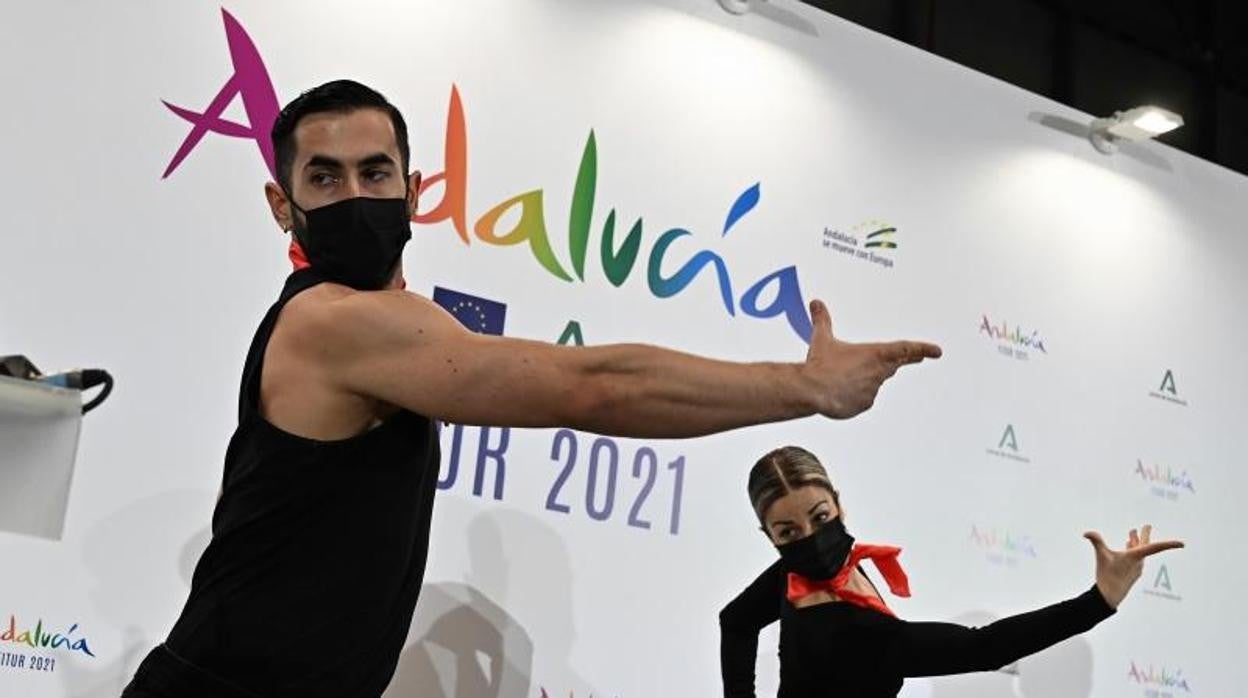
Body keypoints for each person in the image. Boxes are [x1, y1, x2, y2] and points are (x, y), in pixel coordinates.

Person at [121, 80, 942, 697]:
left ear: (414, 192)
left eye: (375, 174)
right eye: (325, 179)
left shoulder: (385, 320)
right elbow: (588, 389)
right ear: (282, 204)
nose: (355, 197)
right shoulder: (329, 324)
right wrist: (805, 387)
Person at [719, 446, 1184, 698]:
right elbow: (983, 647)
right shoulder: (850, 631)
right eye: (788, 532)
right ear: (770, 537)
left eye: (819, 518)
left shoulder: (795, 577)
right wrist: (1098, 601)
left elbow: (735, 621)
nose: (809, 539)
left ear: (839, 503)